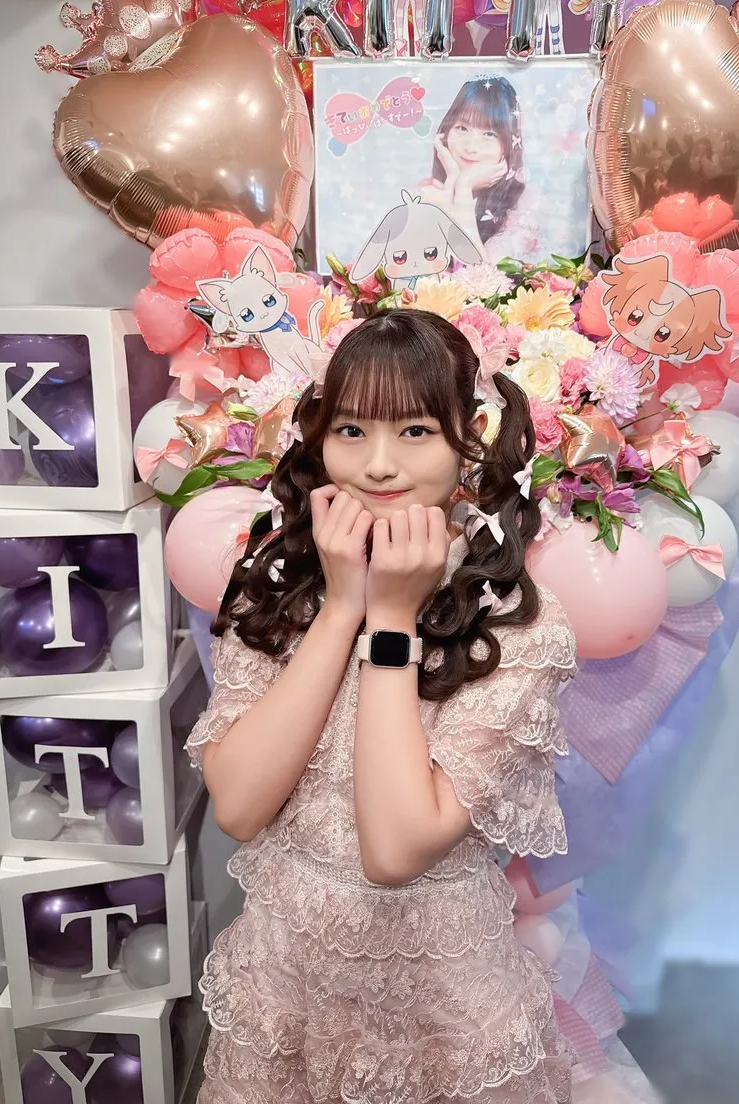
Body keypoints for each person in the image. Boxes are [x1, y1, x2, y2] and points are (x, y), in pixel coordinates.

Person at [187, 309, 579, 1103]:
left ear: (470, 437)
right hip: (287, 990)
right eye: (352, 429)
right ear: (318, 437)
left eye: (416, 431)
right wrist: (341, 608)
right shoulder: (276, 584)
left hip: (438, 1013)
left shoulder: (519, 625)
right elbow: (239, 806)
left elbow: (395, 851)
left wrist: (393, 621)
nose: (376, 464)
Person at [417, 76, 546, 264]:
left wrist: (463, 186)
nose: (471, 146)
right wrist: (454, 182)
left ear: (509, 143)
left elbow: (479, 273)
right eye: (462, 128)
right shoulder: (428, 193)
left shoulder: (526, 201)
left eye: (489, 133)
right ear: (445, 133)